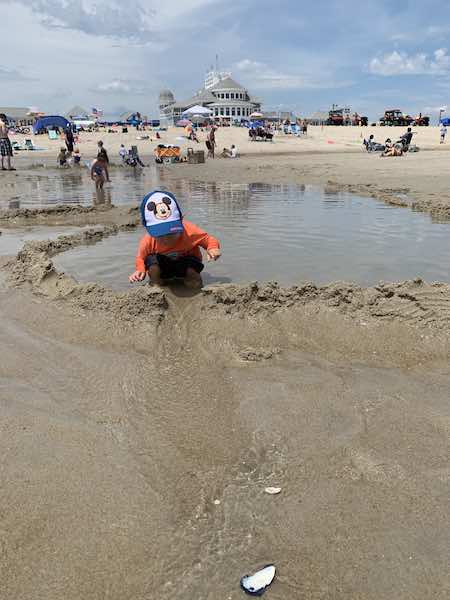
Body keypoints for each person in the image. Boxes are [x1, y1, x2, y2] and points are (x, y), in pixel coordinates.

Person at [129, 190, 221, 289]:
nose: (166, 239)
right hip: (162, 266)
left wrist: (212, 248)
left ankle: (195, 289)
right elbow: (140, 258)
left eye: (171, 233)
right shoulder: (148, 239)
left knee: (192, 276)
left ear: (180, 221)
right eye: (160, 235)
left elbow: (208, 239)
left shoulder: (189, 231)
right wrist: (140, 270)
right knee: (152, 265)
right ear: (149, 230)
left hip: (186, 263)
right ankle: (157, 286)